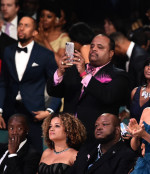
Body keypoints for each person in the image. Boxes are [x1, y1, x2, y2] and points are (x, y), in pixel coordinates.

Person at [47, 34, 130, 143]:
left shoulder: (119, 75)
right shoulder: (74, 69)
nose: (94, 49)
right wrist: (60, 72)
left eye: (100, 47)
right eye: (92, 46)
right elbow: (54, 92)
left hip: (94, 137)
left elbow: (107, 97)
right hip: (67, 134)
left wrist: (84, 74)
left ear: (111, 53)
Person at [0, 16, 61, 152]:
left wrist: (49, 111)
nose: (21, 28)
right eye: (20, 24)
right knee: (6, 153)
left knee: (35, 152)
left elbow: (56, 84)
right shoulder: (8, 51)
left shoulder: (45, 55)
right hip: (10, 111)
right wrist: (0, 110)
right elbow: (3, 82)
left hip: (34, 113)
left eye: (26, 25)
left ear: (35, 32)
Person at [68, 113, 137, 174]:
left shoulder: (126, 154)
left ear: (117, 130)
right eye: (96, 125)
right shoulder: (86, 149)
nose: (99, 128)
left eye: (104, 124)